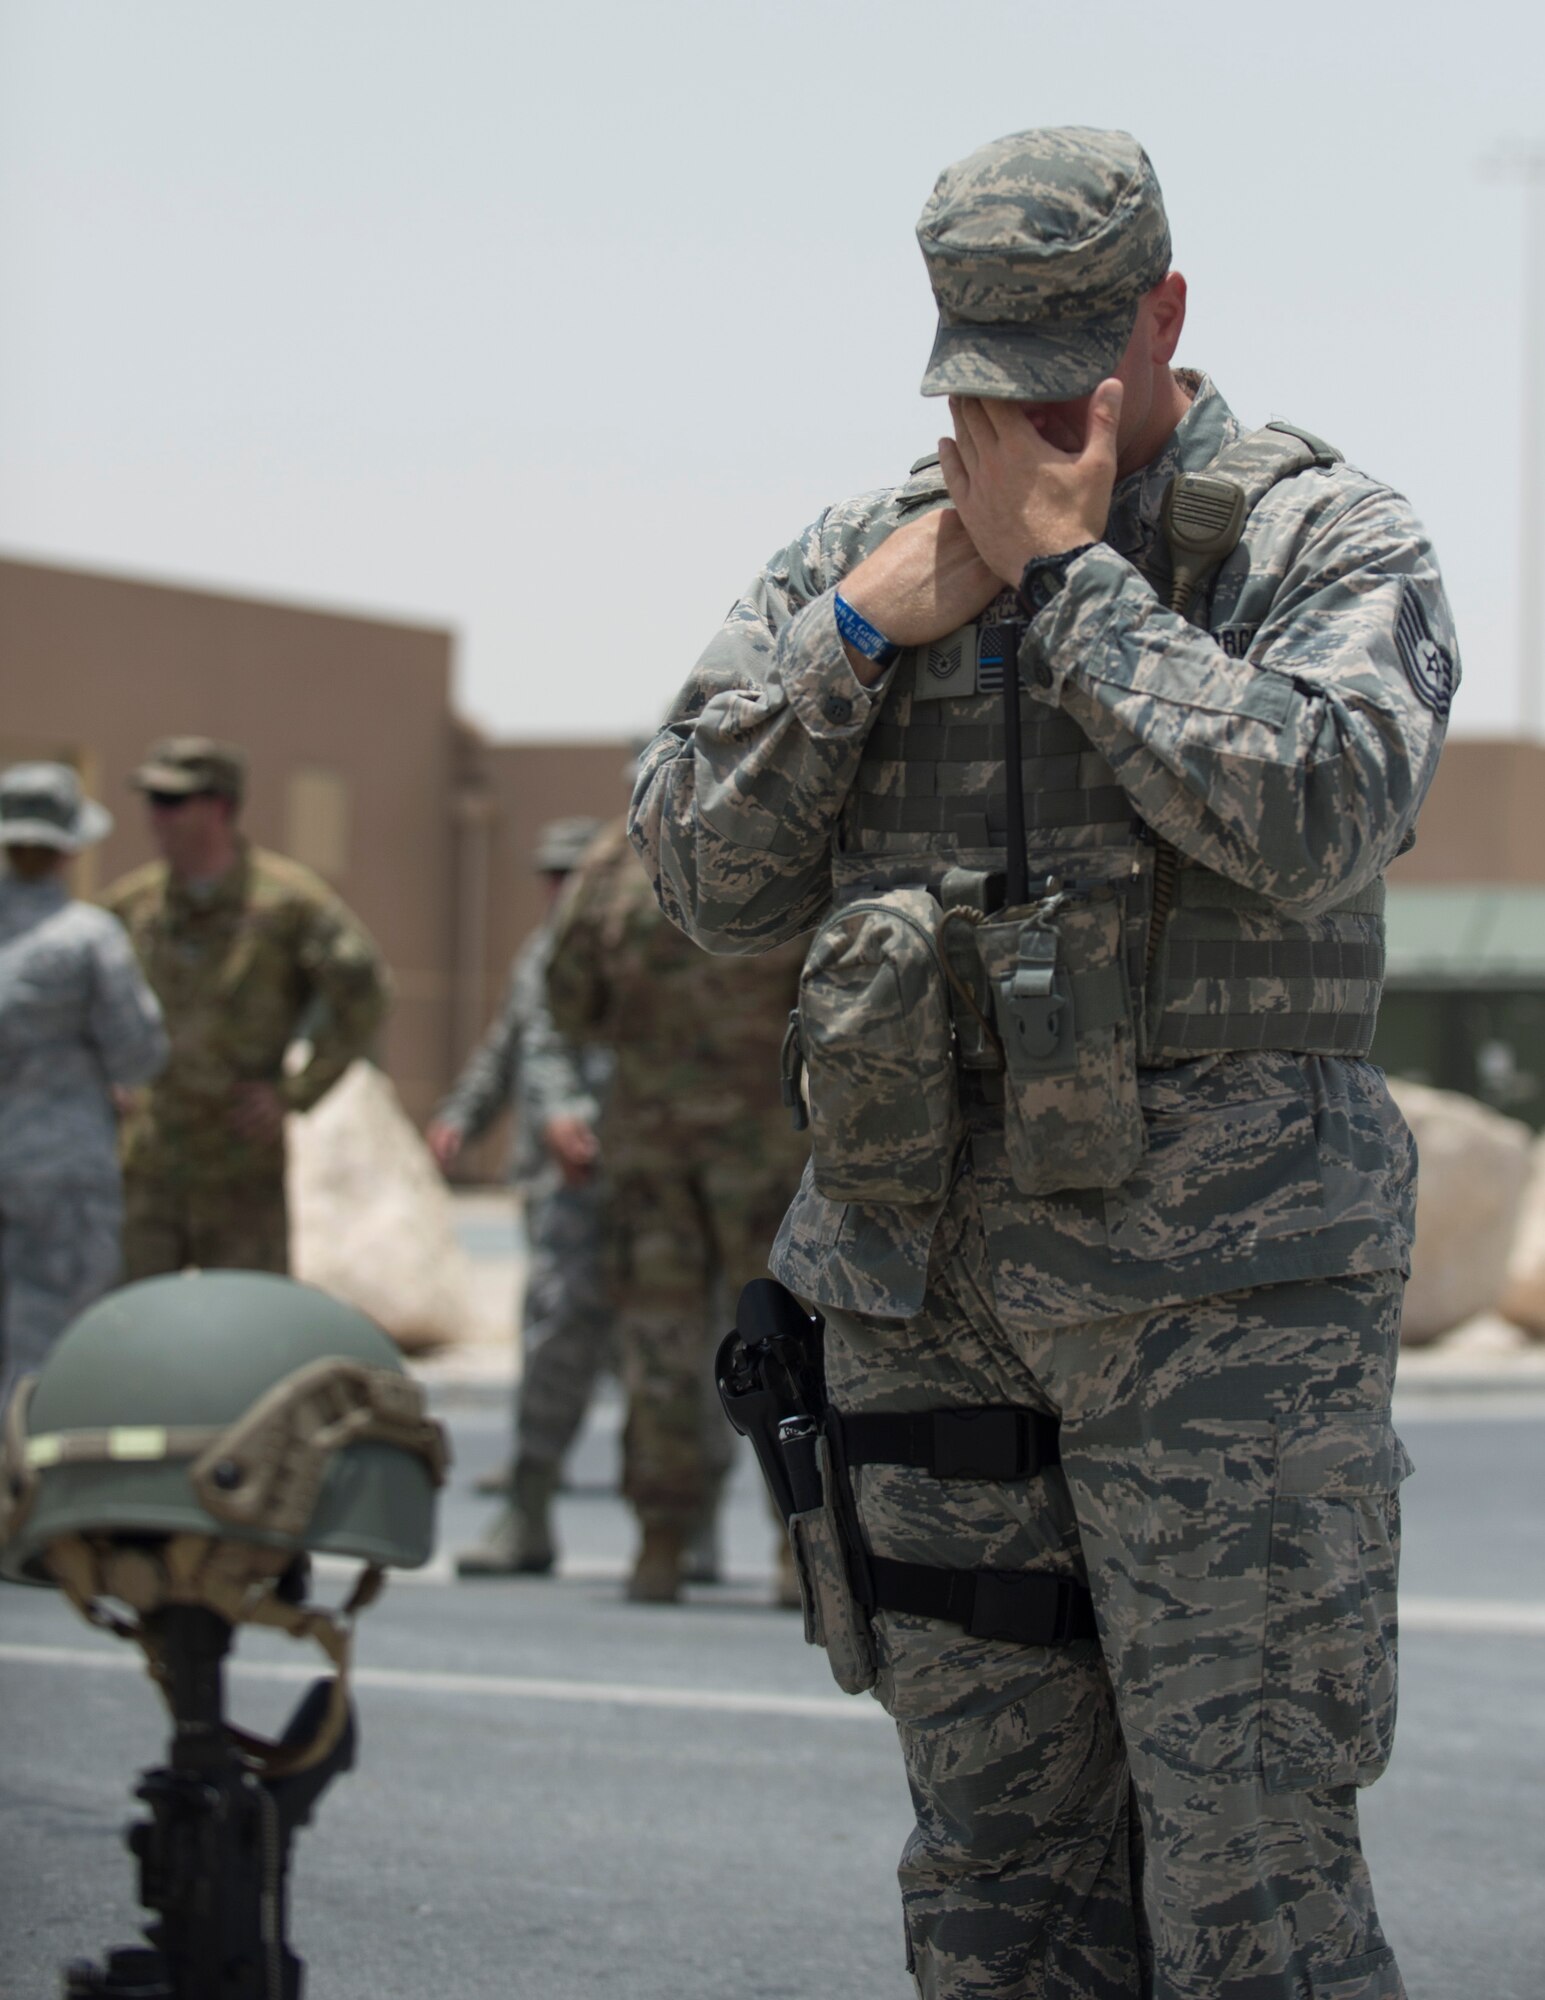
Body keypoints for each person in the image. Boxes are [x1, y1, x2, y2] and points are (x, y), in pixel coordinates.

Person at [630, 128, 1456, 1999]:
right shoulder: (862, 555)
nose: (1022, 419)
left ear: (1166, 312)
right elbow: (696, 869)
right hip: (926, 1308)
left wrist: (1076, 588)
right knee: (997, 1898)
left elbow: (1324, 807)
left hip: (1226, 1320)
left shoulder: (1318, 537)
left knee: (1258, 1894)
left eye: (1068, 373)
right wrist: (859, 637)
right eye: (984, 379)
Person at [545, 819, 810, 1604]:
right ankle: (800, 1550)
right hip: (763, 1144)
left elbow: (567, 996)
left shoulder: (611, 862)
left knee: (657, 1346)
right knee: (783, 1340)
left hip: (652, 1141)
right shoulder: (788, 832)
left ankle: (660, 1546)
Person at [103, 737, 388, 1279]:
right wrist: (105, 1082)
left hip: (239, 1169)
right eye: (152, 802)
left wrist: (297, 1093)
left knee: (246, 1335)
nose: (154, 818)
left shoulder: (288, 903)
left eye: (171, 802)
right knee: (134, 1330)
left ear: (220, 808)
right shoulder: (131, 906)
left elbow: (365, 991)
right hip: (149, 1166)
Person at [426, 816, 615, 1576]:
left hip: (642, 1173)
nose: (559, 887)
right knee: (554, 1328)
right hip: (557, 1179)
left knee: (669, 1347)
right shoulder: (539, 957)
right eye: (550, 874)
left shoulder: (629, 942)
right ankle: (532, 1493)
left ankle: (685, 1521)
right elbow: (510, 1047)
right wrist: (462, 1117)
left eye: (573, 874)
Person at [0, 763, 167, 1404]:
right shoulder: (88, 938)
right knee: (52, 1347)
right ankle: (31, 1486)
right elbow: (141, 1052)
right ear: (70, 847)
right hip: (61, 1173)